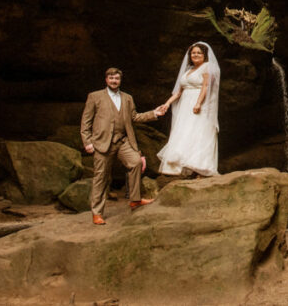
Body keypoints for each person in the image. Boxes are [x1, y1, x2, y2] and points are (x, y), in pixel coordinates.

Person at [80, 67, 165, 225]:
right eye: (111, 78)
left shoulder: (127, 98)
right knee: (101, 177)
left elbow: (134, 117)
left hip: (123, 141)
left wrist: (154, 113)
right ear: (106, 80)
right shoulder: (95, 96)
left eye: (117, 79)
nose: (114, 81)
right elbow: (86, 122)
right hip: (102, 143)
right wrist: (88, 142)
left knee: (135, 162)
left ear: (120, 80)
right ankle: (97, 213)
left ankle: (135, 200)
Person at [156, 42, 220, 177]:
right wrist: (167, 104)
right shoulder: (187, 70)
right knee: (184, 130)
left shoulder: (208, 67)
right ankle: (179, 163)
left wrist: (198, 103)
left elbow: (205, 86)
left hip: (198, 104)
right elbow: (178, 92)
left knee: (197, 130)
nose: (195, 55)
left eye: (199, 53)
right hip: (185, 104)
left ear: (204, 55)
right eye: (193, 53)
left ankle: (198, 163)